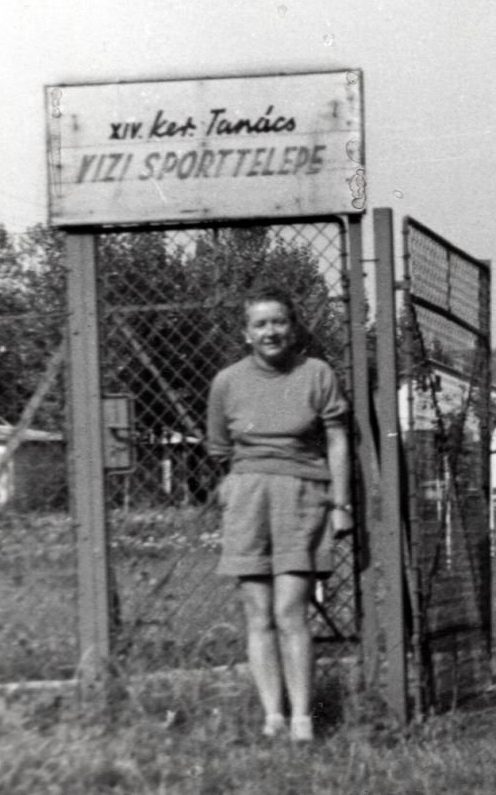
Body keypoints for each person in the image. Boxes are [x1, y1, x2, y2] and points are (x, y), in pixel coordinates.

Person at [208, 288, 353, 742]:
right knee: (257, 612)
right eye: (260, 324)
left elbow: (337, 442)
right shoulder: (227, 382)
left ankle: (303, 718)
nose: (271, 331)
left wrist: (341, 505)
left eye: (279, 322)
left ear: (293, 327)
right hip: (248, 498)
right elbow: (218, 448)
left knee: (291, 609)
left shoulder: (317, 374)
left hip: (302, 496)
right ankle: (272, 715)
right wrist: (233, 492)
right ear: (246, 333)